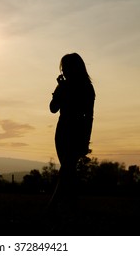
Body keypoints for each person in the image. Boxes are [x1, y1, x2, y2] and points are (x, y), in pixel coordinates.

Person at [48, 53, 95, 210]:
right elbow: (53, 108)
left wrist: (85, 139)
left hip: (76, 132)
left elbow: (89, 116)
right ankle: (69, 202)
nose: (65, 71)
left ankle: (56, 204)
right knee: (68, 168)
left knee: (67, 168)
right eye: (63, 67)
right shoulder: (65, 86)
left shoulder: (87, 88)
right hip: (62, 131)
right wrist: (60, 89)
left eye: (67, 67)